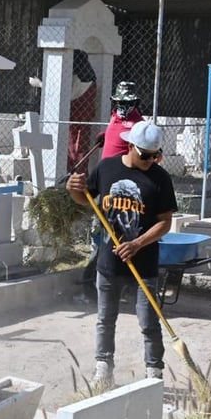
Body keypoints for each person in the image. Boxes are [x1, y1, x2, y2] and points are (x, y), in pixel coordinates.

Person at [66, 120, 178, 388]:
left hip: (145, 264)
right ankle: (103, 369)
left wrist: (138, 243)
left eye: (155, 155)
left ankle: (154, 374)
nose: (151, 160)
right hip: (109, 263)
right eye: (145, 155)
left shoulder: (160, 178)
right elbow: (88, 199)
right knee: (105, 319)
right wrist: (74, 191)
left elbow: (164, 222)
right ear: (130, 146)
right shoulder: (107, 168)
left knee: (149, 322)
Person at [79, 81, 147, 303]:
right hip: (102, 184)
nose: (121, 106)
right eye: (118, 102)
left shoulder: (139, 128)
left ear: (135, 103)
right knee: (98, 236)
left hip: (120, 191)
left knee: (113, 237)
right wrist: (105, 135)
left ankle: (111, 287)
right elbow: (113, 135)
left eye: (126, 103)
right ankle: (94, 286)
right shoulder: (114, 117)